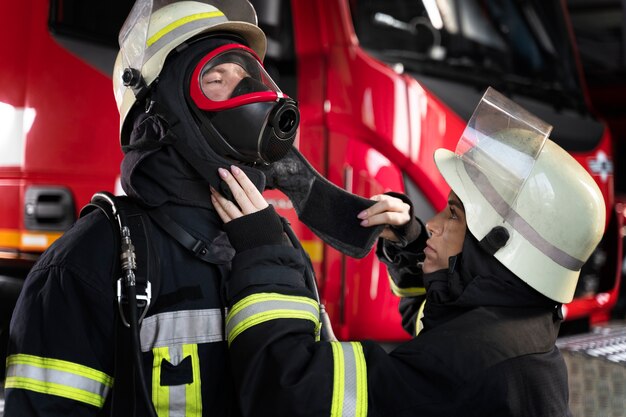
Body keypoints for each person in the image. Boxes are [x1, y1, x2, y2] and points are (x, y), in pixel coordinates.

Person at [212, 87, 606, 416]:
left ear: (497, 244)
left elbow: (289, 391)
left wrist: (264, 254)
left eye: (454, 215)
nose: (433, 223)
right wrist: (414, 244)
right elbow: (438, 322)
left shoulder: (467, 363)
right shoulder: (520, 325)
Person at [3, 0, 302, 415]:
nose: (250, 93)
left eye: (248, 76)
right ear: (163, 111)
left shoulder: (273, 244)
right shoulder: (86, 263)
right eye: (217, 78)